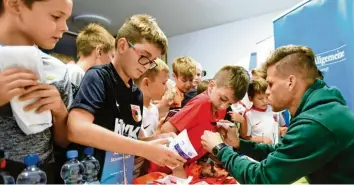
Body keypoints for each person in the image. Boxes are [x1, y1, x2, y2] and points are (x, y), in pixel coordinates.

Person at [201, 45, 354, 184]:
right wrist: (240, 144)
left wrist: (220, 149)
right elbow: (280, 152)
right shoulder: (320, 110)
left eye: (271, 84)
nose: (267, 92)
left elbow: (262, 178)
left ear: (290, 82)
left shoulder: (314, 122)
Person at [67, 14, 185, 184]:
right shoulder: (98, 77)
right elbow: (76, 128)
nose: (146, 65)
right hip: (92, 177)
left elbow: (129, 139)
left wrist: (155, 141)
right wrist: (144, 148)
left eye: (151, 61)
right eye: (144, 56)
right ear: (122, 45)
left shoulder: (136, 94)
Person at [0, 0, 73, 183]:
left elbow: (63, 141)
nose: (64, 27)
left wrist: (59, 111)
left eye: (66, 19)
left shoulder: (58, 71)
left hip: (44, 174)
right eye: (56, 16)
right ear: (15, 4)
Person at [150, 65, 250, 178]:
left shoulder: (219, 109)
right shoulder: (202, 103)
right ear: (211, 86)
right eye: (223, 99)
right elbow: (166, 130)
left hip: (187, 167)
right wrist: (178, 167)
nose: (223, 106)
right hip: (163, 167)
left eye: (229, 104)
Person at [68, 23, 115, 87]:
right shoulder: (76, 73)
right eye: (112, 56)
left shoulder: (71, 71)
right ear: (99, 51)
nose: (112, 62)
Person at [241, 78, 279, 144]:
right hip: (260, 150)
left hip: (275, 149)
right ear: (250, 98)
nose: (265, 101)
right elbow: (245, 138)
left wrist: (281, 130)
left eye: (267, 97)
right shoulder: (248, 115)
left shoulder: (273, 108)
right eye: (260, 98)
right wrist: (260, 139)